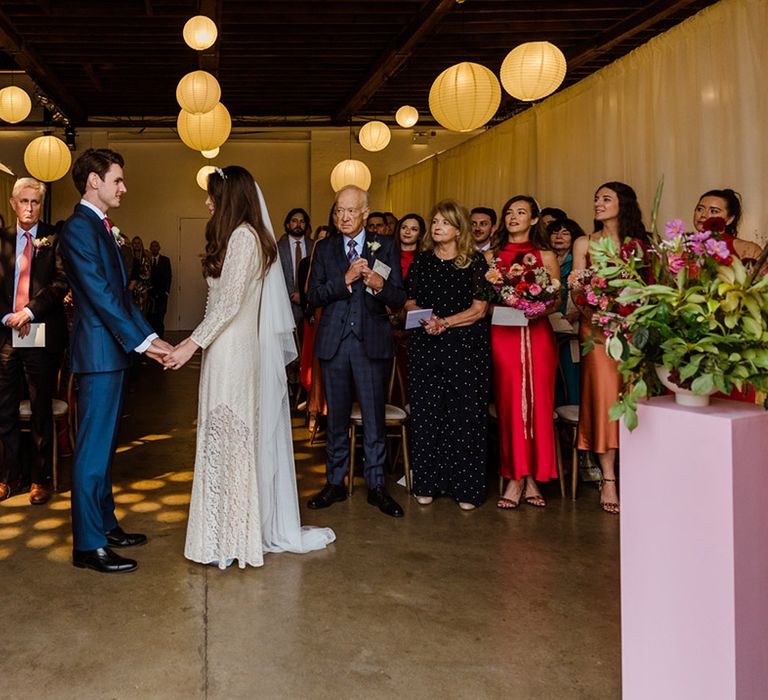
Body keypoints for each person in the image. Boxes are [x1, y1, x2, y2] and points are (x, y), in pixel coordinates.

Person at [163, 166, 335, 568]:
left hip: (234, 351)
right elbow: (217, 305)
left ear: (230, 198)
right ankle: (220, 532)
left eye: (213, 195)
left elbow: (229, 304)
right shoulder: (241, 237)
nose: (207, 202)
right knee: (220, 433)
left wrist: (189, 343)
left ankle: (233, 537)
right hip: (223, 349)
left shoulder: (244, 237)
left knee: (231, 434)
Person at [59, 148, 173, 574]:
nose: (123, 187)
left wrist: (153, 337)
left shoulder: (100, 227)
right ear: (94, 181)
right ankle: (88, 545)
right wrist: (142, 344)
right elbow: (100, 296)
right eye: (117, 180)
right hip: (98, 354)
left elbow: (123, 296)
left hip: (112, 353)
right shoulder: (78, 229)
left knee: (105, 449)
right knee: (91, 452)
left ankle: (104, 525)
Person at [306, 185, 406, 517]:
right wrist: (345, 280)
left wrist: (380, 286)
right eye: (338, 211)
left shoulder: (386, 246)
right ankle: (335, 482)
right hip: (334, 342)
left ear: (365, 212)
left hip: (371, 342)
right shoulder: (324, 248)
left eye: (351, 211)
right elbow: (314, 296)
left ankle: (377, 486)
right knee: (335, 418)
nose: (344, 217)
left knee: (374, 418)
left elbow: (397, 297)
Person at [405, 200, 490, 510]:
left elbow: (479, 309)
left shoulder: (476, 263)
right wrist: (423, 317)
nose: (437, 226)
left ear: (458, 229)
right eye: (435, 221)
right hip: (426, 347)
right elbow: (409, 301)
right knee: (427, 415)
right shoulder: (422, 261)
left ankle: (465, 488)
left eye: (443, 222)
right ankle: (426, 483)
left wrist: (446, 323)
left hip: (465, 349)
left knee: (464, 416)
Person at [571, 181, 648, 514]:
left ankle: (640, 471)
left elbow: (651, 286)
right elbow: (575, 287)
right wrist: (588, 295)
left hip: (634, 330)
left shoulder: (641, 243)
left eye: (606, 199)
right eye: (595, 198)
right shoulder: (585, 242)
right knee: (604, 400)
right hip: (597, 330)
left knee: (636, 397)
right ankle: (608, 478)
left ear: (624, 204)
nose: (598, 204)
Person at [0, 177, 68, 505]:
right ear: (13, 204)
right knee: (5, 408)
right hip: (6, 335)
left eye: (35, 202)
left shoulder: (52, 238)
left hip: (39, 332)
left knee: (40, 406)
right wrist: (8, 317)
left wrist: (28, 311)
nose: (29, 208)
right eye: (23, 201)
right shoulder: (2, 239)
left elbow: (60, 283)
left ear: (41, 205)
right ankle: (11, 476)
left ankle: (40, 480)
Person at [492, 196, 560, 510]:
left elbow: (558, 300)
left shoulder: (545, 254)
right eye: (509, 212)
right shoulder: (494, 255)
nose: (513, 217)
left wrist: (538, 307)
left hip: (537, 333)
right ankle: (515, 475)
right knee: (509, 403)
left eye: (521, 212)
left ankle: (534, 476)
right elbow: (483, 298)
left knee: (539, 404)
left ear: (534, 220)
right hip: (503, 333)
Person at [547, 218, 585, 406]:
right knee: (550, 379)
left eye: (565, 232)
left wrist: (577, 312)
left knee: (571, 376)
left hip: (571, 326)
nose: (559, 236)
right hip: (545, 323)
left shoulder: (578, 260)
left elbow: (585, 291)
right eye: (555, 232)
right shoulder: (543, 260)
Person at [693, 189, 761, 262]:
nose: (703, 215)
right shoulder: (684, 247)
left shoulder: (746, 249)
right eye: (700, 209)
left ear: (730, 219)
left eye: (714, 211)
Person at [277, 207, 313, 329]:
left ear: (306, 226)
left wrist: (303, 297)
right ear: (287, 225)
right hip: (284, 305)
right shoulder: (277, 248)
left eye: (302, 221)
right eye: (294, 221)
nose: (298, 224)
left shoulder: (315, 246)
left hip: (309, 307)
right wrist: (291, 295)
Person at [147, 239, 172, 336]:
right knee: (150, 316)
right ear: (150, 248)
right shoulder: (147, 259)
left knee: (161, 314)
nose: (154, 248)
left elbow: (169, 276)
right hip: (149, 293)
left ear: (159, 248)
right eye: (152, 246)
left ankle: (161, 336)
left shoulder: (165, 260)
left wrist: (167, 291)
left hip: (162, 292)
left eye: (156, 246)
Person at [396, 213, 425, 279]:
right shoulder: (389, 255)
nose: (407, 232)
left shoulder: (425, 259)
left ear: (420, 234)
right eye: (404, 228)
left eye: (413, 229)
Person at [128, 235, 152, 313]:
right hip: (130, 289)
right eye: (135, 243)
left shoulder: (145, 258)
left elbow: (147, 275)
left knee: (141, 312)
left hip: (141, 290)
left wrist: (135, 275)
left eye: (138, 243)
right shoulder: (129, 258)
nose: (137, 245)